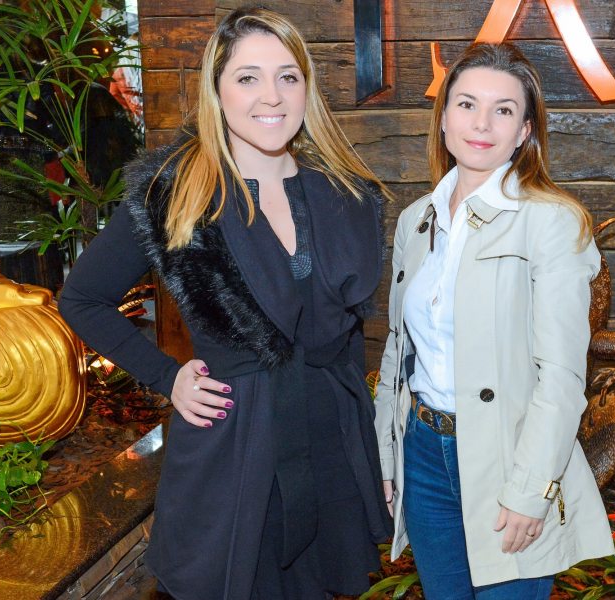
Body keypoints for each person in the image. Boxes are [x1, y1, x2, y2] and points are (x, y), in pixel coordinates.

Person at [59, 7, 392, 599]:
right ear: (217, 91)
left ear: (307, 89)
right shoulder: (175, 193)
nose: (272, 96)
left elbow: (346, 346)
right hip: (236, 450)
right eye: (247, 77)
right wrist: (168, 377)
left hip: (329, 443)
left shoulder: (345, 193)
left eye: (288, 76)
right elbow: (83, 298)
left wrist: (372, 459)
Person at [374, 42, 614, 599]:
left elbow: (561, 377)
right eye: (466, 104)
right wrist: (387, 455)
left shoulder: (551, 222)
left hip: (510, 457)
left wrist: (532, 489)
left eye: (503, 110)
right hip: (423, 454)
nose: (481, 124)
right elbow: (397, 349)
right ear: (443, 119)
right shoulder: (415, 221)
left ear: (524, 131)